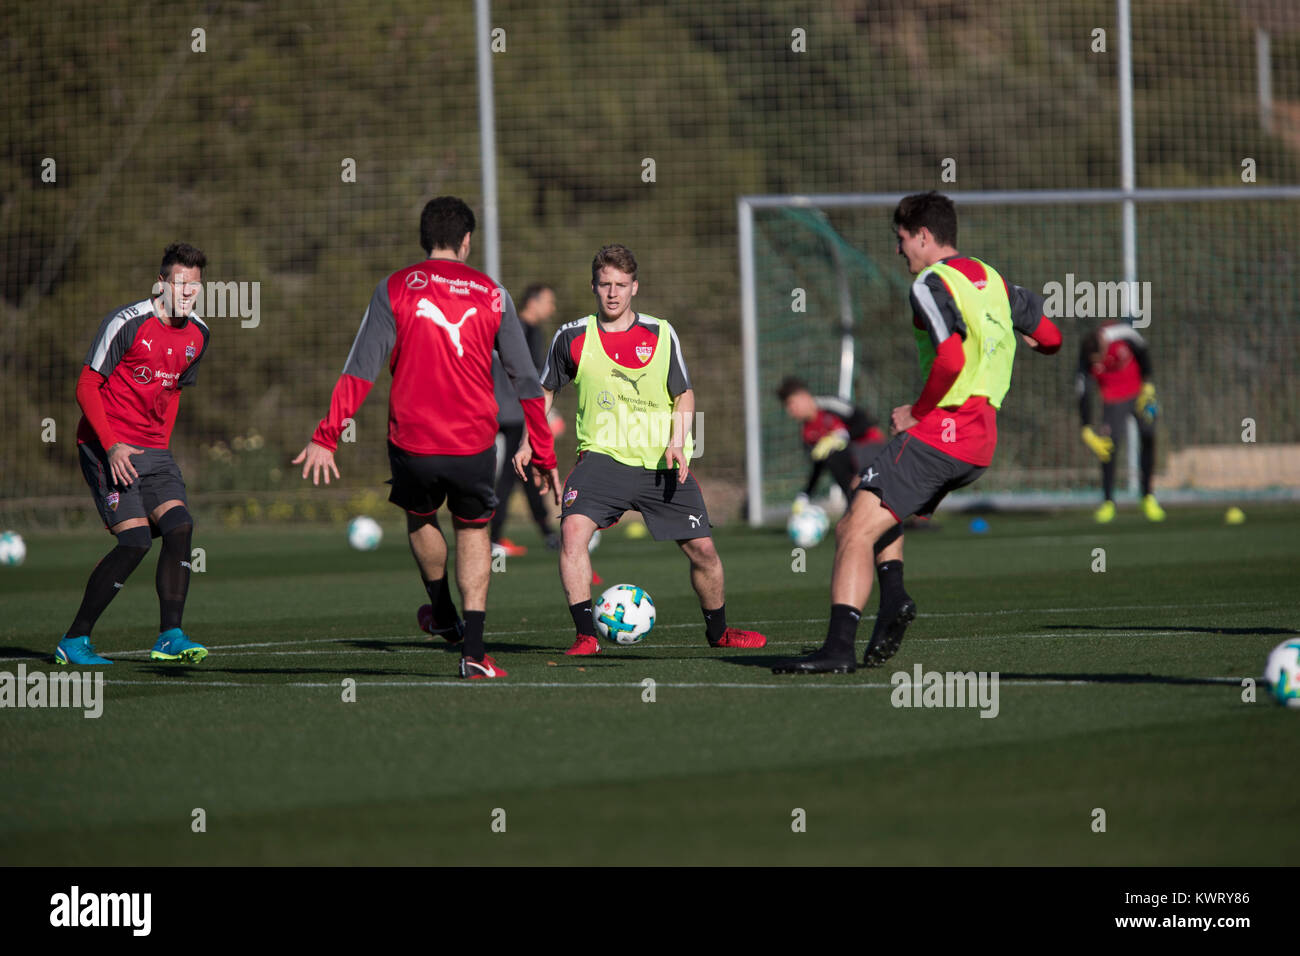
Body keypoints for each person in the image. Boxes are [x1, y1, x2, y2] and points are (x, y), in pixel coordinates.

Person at [774, 191, 1062, 674]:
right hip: (981, 438)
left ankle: (838, 649)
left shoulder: (932, 282)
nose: (898, 249)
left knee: (850, 530)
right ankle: (893, 601)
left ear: (924, 237)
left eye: (901, 238)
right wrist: (1018, 336)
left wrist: (916, 412)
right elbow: (1051, 338)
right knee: (880, 507)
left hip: (945, 428)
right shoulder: (994, 280)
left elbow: (949, 357)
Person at [294, 197, 559, 680]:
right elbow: (526, 381)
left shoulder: (394, 287)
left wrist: (326, 436)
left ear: (424, 238)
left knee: (421, 515)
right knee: (474, 530)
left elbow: (361, 369)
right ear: (467, 240)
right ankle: (474, 653)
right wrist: (542, 448)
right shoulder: (493, 293)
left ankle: (440, 611)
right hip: (473, 441)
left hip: (411, 441)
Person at [513, 244, 767, 655]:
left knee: (704, 550)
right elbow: (543, 393)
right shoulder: (572, 336)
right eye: (604, 285)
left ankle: (719, 632)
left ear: (635, 287)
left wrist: (677, 442)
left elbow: (683, 394)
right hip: (601, 459)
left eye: (621, 285)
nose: (612, 293)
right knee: (572, 533)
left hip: (659, 462)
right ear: (593, 286)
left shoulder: (661, 333)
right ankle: (585, 636)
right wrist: (528, 440)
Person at [56, 243, 213, 666]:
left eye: (194, 286)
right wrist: (111, 446)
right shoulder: (127, 323)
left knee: (180, 526)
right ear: (161, 283)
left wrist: (160, 447)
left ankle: (170, 636)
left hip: (155, 451)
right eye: (179, 284)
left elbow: (172, 392)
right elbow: (86, 386)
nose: (187, 293)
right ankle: (74, 641)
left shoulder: (199, 334)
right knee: (136, 541)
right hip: (104, 445)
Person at [491, 283, 560, 557]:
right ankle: (494, 538)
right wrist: (545, 415)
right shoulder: (518, 329)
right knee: (510, 475)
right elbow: (528, 377)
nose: (551, 307)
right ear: (533, 302)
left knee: (525, 475)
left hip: (512, 411)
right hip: (513, 413)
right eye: (548, 301)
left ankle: (547, 533)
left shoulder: (527, 330)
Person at [1077, 322, 1164, 522]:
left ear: (1104, 344)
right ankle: (1108, 501)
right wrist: (1086, 429)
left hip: (1139, 393)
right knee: (1109, 446)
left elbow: (1144, 352)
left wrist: (1148, 385)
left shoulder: (1123, 334)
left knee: (1149, 435)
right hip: (1112, 400)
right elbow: (1083, 391)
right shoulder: (1085, 355)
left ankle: (1148, 496)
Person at [775, 377, 886, 507]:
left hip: (872, 448)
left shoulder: (829, 404)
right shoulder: (807, 433)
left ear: (803, 396)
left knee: (836, 457)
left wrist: (842, 436)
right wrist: (805, 494)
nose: (790, 411)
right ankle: (854, 504)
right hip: (850, 462)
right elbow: (819, 465)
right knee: (833, 458)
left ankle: (859, 504)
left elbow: (865, 422)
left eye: (791, 404)